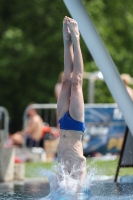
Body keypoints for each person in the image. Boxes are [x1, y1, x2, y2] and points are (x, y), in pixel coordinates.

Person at [57, 16, 86, 191]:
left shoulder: (63, 175)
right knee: (76, 82)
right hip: (74, 124)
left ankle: (67, 39)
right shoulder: (77, 175)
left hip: (63, 122)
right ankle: (76, 38)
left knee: (67, 81)